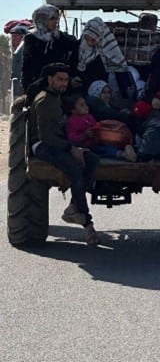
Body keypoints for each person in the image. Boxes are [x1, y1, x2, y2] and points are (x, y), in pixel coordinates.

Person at [28, 62, 100, 246]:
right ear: (50, 79)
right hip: (43, 145)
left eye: (66, 80)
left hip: (58, 143)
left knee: (91, 159)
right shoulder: (44, 100)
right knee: (75, 169)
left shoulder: (57, 97)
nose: (63, 83)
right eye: (59, 79)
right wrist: (71, 149)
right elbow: (47, 137)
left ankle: (73, 208)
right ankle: (88, 224)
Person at [21, 5, 79, 93]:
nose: (56, 21)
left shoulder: (61, 38)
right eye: (52, 19)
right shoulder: (32, 39)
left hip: (60, 86)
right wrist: (28, 89)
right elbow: (27, 67)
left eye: (57, 18)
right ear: (43, 20)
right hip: (39, 86)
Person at [77, 17, 135, 102]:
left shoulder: (110, 49)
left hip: (109, 95)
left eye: (93, 40)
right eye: (86, 39)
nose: (89, 43)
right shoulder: (81, 48)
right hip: (87, 96)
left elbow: (120, 71)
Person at [65, 93, 134, 160]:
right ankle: (122, 154)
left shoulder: (89, 116)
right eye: (82, 105)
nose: (86, 107)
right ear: (73, 110)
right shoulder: (72, 121)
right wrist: (84, 135)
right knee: (104, 149)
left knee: (109, 142)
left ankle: (127, 148)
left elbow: (95, 125)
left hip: (96, 140)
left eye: (85, 104)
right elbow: (71, 137)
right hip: (86, 146)